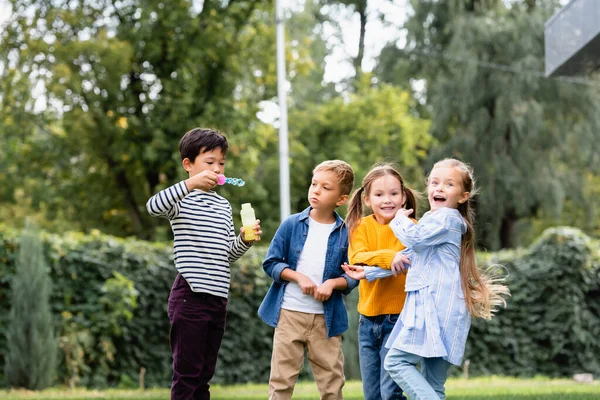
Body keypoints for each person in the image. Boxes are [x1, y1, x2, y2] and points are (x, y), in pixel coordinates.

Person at [344, 158, 509, 399]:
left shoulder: (448, 219)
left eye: (448, 184)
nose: (439, 188)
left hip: (437, 309)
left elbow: (415, 239)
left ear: (463, 196)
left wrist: (399, 219)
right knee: (434, 387)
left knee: (396, 362)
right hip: (440, 310)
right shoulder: (433, 222)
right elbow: (408, 258)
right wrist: (369, 272)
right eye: (434, 182)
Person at [146, 127, 262, 400]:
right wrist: (190, 184)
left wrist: (244, 239)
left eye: (221, 163)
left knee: (203, 376)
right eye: (209, 162)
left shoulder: (223, 206)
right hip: (190, 295)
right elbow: (153, 206)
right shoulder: (181, 199)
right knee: (187, 374)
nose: (217, 168)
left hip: (217, 299)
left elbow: (227, 254)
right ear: (188, 164)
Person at [257, 160, 359, 400]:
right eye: (314, 184)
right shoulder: (292, 224)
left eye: (326, 188)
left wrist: (333, 284)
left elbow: (353, 276)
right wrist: (297, 277)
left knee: (332, 384)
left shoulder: (347, 232)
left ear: (341, 199)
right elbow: (270, 263)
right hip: (289, 314)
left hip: (327, 320)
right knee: (281, 382)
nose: (316, 190)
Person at [343, 163, 418, 400]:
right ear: (367, 199)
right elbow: (357, 258)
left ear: (404, 197)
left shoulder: (412, 228)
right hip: (367, 322)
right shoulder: (361, 227)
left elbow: (406, 258)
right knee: (372, 394)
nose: (388, 200)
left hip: (398, 319)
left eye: (394, 193)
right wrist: (389, 258)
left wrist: (391, 259)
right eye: (379, 194)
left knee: (390, 392)